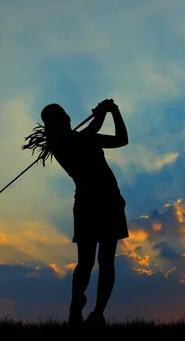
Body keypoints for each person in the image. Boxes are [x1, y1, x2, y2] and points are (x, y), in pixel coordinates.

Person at [25, 99, 130, 327]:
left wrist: (114, 112)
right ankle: (76, 308)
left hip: (110, 200)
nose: (65, 115)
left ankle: (98, 314)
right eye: (60, 114)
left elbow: (122, 140)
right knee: (87, 261)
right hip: (89, 203)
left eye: (63, 111)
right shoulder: (60, 143)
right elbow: (90, 131)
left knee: (106, 261)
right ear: (53, 123)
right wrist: (103, 113)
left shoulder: (83, 138)